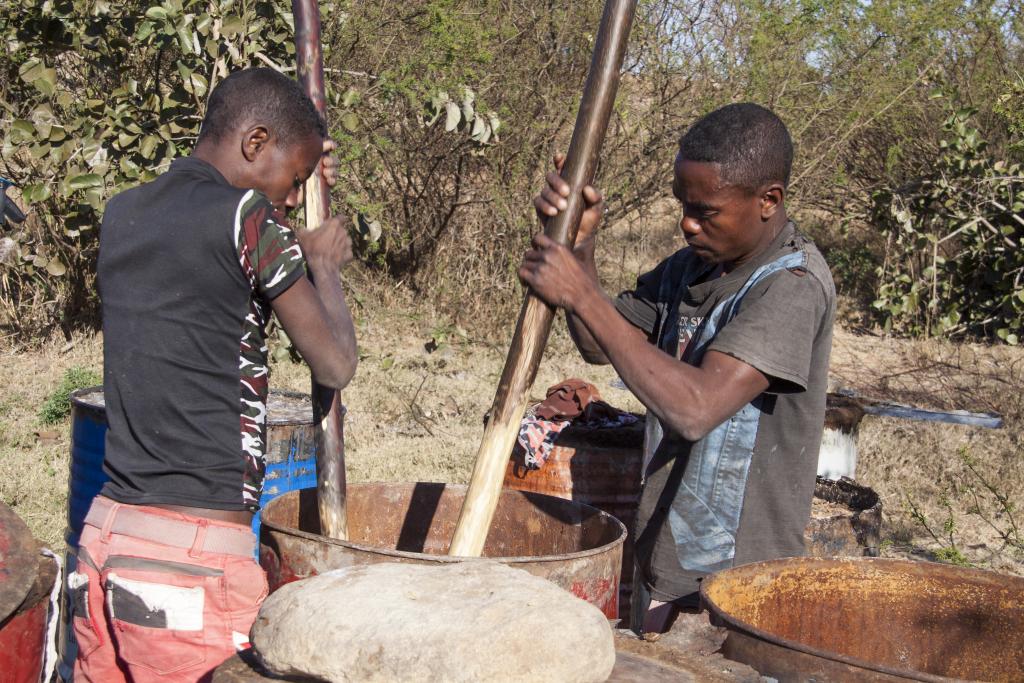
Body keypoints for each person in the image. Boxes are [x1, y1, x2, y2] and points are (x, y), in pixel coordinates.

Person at [70, 67, 358, 682]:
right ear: (255, 143)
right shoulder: (249, 218)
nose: (289, 196)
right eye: (294, 178)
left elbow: (209, 280)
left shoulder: (123, 213)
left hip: (105, 537)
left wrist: (294, 232)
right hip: (191, 561)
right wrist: (326, 266)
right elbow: (334, 363)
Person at [519, 103, 836, 632]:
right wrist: (582, 246)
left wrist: (579, 291)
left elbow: (695, 409)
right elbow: (599, 346)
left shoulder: (791, 285)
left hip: (738, 586)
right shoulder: (692, 268)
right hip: (665, 554)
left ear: (768, 200)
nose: (686, 224)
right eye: (682, 205)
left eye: (705, 211)